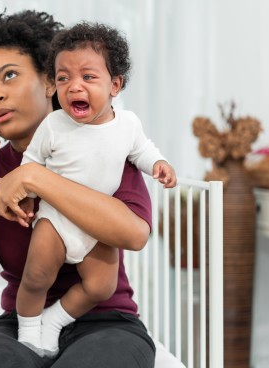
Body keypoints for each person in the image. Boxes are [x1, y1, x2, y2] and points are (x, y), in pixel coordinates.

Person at [0, 9, 156, 368]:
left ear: (50, 83)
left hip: (106, 320)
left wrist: (36, 177)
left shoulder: (107, 146)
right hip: (21, 324)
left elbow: (135, 234)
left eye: (9, 76)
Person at [15, 22, 177, 357]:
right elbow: (31, 162)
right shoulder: (53, 124)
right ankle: (28, 330)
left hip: (96, 225)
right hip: (55, 220)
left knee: (102, 286)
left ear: (115, 84)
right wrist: (27, 196)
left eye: (88, 77)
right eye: (63, 78)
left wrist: (158, 163)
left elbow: (142, 150)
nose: (74, 86)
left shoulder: (128, 124)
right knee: (36, 275)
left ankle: (55, 320)